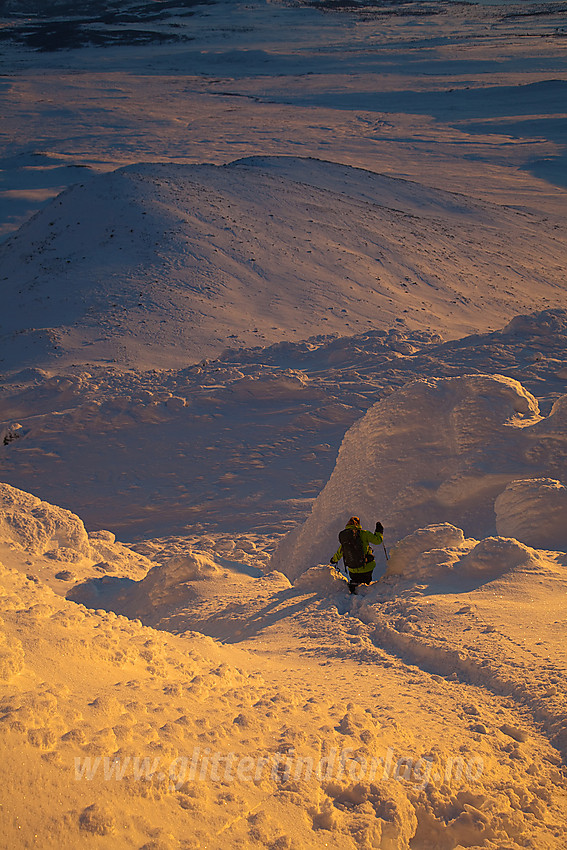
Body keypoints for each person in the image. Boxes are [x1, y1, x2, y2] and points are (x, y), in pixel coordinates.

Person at [330, 516, 384, 594]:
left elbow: (340, 552)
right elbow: (378, 541)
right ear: (358, 524)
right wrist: (379, 531)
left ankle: (355, 584)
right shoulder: (364, 533)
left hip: (352, 570)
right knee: (370, 558)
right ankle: (365, 589)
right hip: (367, 569)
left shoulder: (346, 538)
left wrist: (333, 560)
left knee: (356, 577)